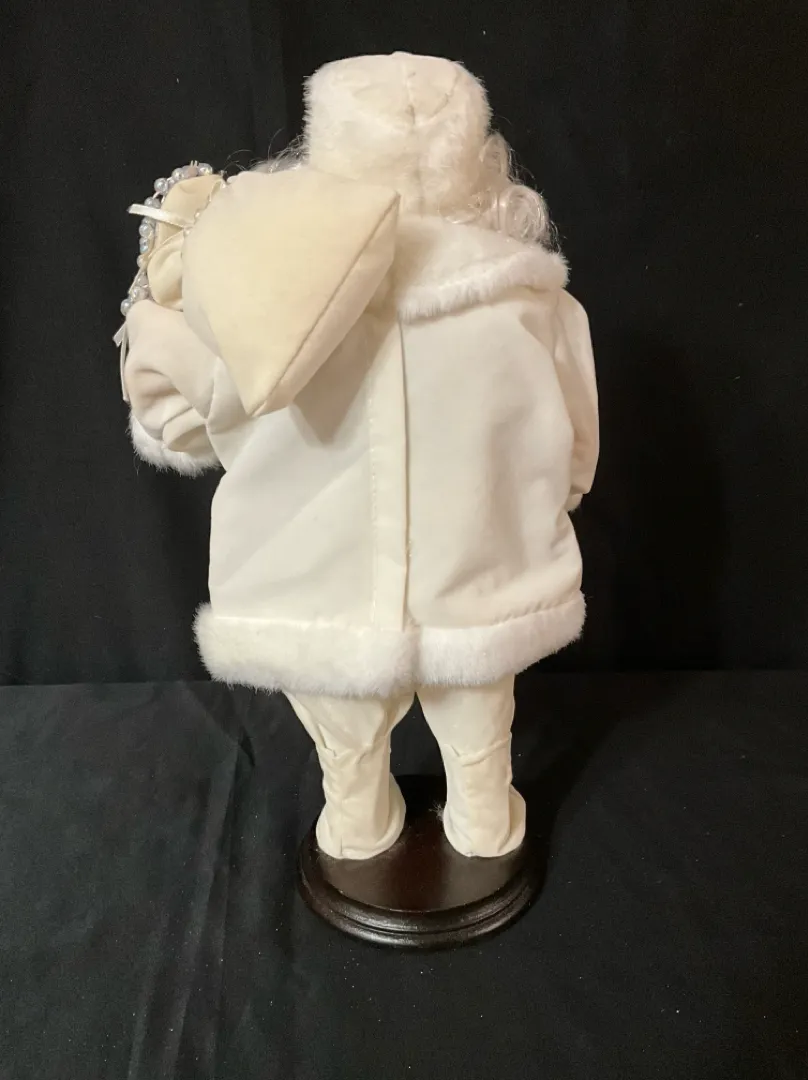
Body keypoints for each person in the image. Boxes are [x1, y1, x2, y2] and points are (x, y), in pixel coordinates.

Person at [120, 52, 599, 861]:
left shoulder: (269, 300)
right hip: (484, 559)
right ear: (477, 157)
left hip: (314, 567)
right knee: (479, 723)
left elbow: (181, 420)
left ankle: (359, 829)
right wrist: (553, 495)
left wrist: (157, 315)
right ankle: (485, 828)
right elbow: (577, 436)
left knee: (344, 747)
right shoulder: (534, 302)